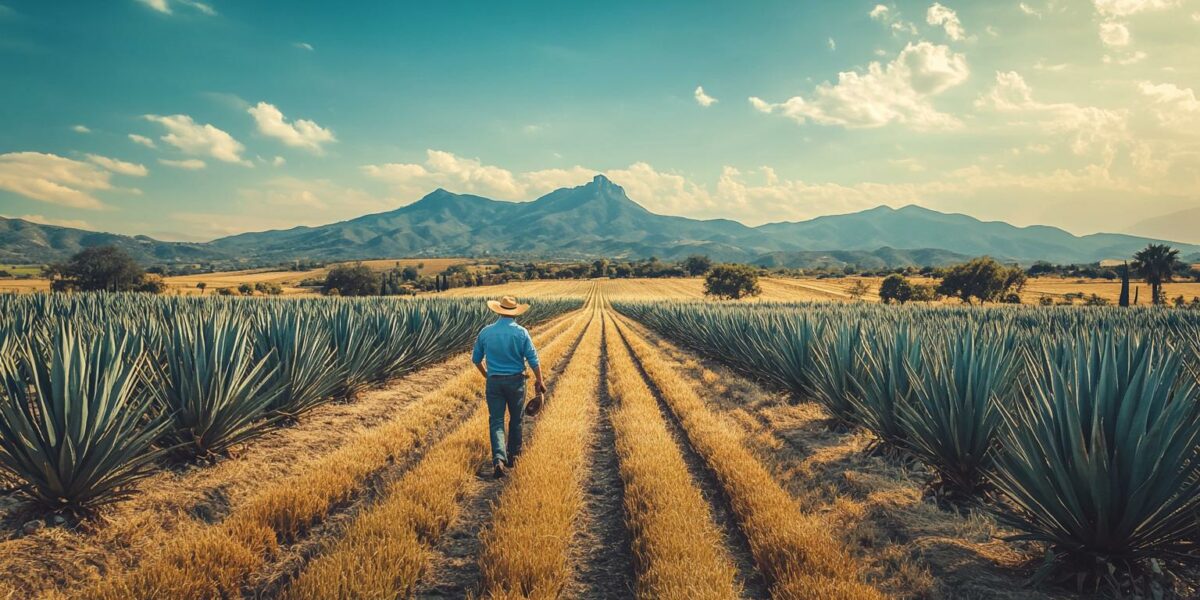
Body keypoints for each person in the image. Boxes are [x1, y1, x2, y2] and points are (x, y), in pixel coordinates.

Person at [472, 296, 546, 478]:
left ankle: (498, 459)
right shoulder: (521, 333)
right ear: (515, 313)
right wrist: (539, 380)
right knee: (516, 418)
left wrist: (486, 374)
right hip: (516, 381)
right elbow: (533, 359)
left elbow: (475, 359)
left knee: (496, 420)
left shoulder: (486, 332)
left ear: (498, 311)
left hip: (494, 381)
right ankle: (513, 455)